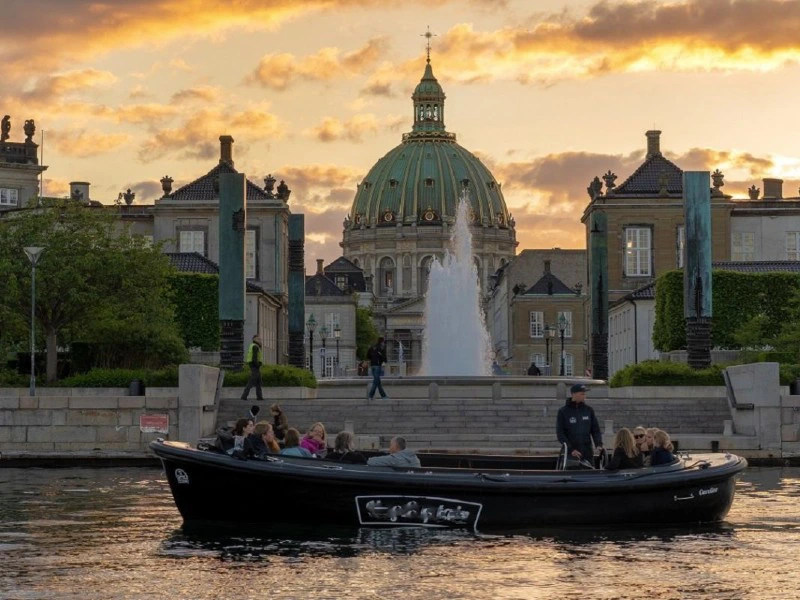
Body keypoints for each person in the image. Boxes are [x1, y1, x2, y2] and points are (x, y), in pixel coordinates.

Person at [556, 383, 603, 464]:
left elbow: (595, 430)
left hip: (587, 452)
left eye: (585, 394)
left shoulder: (588, 410)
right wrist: (571, 450)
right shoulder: (563, 411)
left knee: (590, 474)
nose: (584, 396)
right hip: (572, 453)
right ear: (573, 394)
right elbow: (560, 434)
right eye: (582, 394)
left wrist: (598, 444)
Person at [241, 335, 264, 401]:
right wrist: (257, 365)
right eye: (258, 338)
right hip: (254, 366)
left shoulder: (254, 346)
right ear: (255, 339)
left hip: (254, 365)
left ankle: (259, 397)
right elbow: (254, 357)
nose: (260, 340)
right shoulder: (255, 346)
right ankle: (244, 396)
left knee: (259, 381)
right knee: (251, 381)